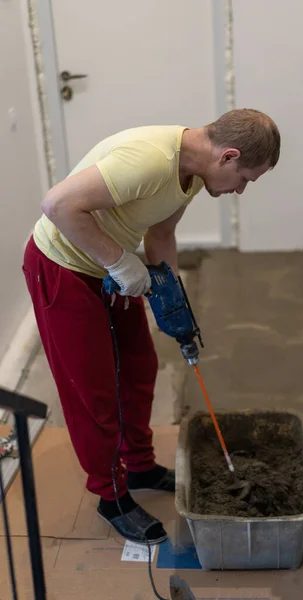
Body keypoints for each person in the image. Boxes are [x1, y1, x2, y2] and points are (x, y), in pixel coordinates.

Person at [22, 108, 281, 544]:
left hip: (107, 268)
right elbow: (58, 204)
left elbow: (160, 235)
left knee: (140, 368)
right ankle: (111, 495)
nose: (240, 190)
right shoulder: (148, 160)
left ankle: (138, 464)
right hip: (62, 267)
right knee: (94, 391)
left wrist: (169, 295)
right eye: (245, 179)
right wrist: (119, 261)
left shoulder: (194, 174)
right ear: (228, 156)